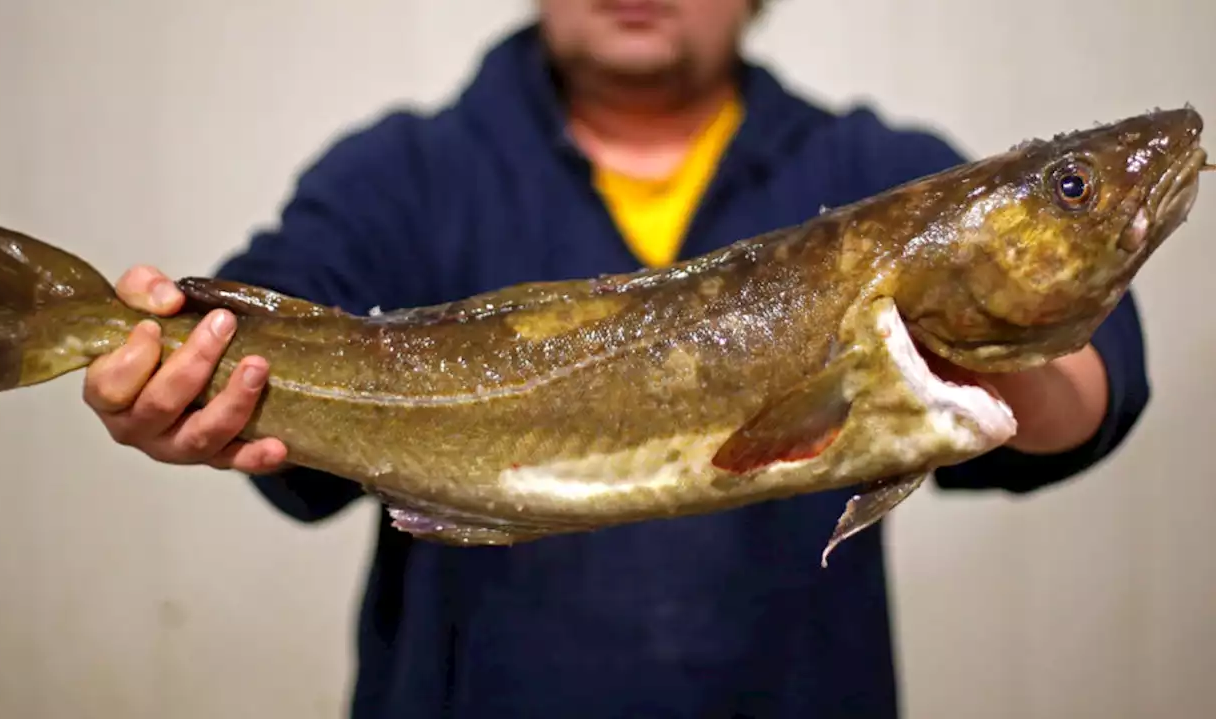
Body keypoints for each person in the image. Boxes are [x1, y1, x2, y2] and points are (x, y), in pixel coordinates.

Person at [80, 1, 1149, 717]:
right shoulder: (401, 173)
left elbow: (1095, 388)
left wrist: (966, 340)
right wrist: (174, 372)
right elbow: (267, 336)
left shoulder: (876, 171)